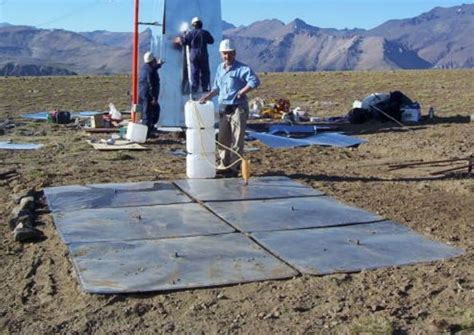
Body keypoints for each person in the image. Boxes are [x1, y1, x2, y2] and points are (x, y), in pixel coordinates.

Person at [199, 39, 260, 177]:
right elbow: (217, 87)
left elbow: (254, 81)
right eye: (224, 54)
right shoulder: (220, 68)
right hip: (224, 107)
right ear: (221, 54)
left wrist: (243, 91)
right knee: (223, 138)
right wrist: (208, 96)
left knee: (237, 138)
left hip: (238, 107)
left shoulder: (242, 69)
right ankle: (223, 164)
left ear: (234, 53)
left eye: (229, 53)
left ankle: (234, 167)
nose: (227, 56)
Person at [180, 17, 214, 94]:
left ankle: (194, 89)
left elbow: (184, 42)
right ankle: (205, 88)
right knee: (205, 72)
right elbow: (211, 41)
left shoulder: (191, 33)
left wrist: (182, 36)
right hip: (203, 55)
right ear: (201, 24)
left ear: (193, 25)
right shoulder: (205, 33)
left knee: (194, 72)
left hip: (193, 55)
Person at [139, 51, 163, 138]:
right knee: (147, 115)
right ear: (153, 60)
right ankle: (144, 135)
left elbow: (153, 69)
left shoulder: (145, 68)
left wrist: (159, 65)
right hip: (147, 95)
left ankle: (148, 132)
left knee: (152, 112)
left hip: (143, 93)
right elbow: (151, 84)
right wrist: (153, 98)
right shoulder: (150, 71)